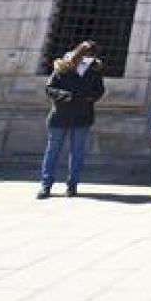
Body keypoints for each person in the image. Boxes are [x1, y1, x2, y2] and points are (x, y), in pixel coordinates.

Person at [38, 41, 105, 199]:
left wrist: (90, 98)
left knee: (77, 152)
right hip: (61, 113)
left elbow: (100, 90)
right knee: (53, 150)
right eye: (88, 55)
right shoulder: (63, 66)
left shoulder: (94, 69)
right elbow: (49, 88)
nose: (90, 59)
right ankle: (46, 184)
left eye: (92, 56)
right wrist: (63, 95)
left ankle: (72, 184)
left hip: (82, 114)